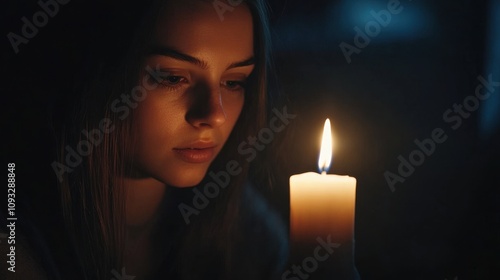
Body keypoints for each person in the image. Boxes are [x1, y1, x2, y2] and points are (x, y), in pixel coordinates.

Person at [1, 0, 290, 279]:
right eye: (173, 78)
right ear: (95, 70)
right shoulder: (14, 238)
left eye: (233, 82)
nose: (215, 114)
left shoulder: (249, 241)